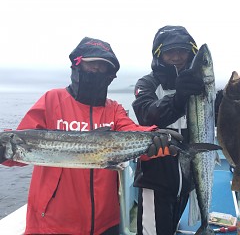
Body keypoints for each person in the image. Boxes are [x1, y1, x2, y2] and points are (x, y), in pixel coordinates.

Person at [0, 37, 183, 235]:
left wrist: (155, 136)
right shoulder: (51, 100)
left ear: (110, 74)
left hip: (105, 222)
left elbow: (131, 131)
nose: (96, 70)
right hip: (51, 224)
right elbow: (18, 153)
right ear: (77, 64)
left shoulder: (113, 109)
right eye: (91, 64)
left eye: (102, 67)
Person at [132, 25, 205, 235]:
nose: (176, 57)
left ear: (191, 53)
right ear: (159, 55)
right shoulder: (147, 83)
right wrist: (179, 98)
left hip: (188, 182)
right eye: (169, 51)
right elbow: (147, 114)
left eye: (182, 50)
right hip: (156, 182)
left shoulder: (200, 85)